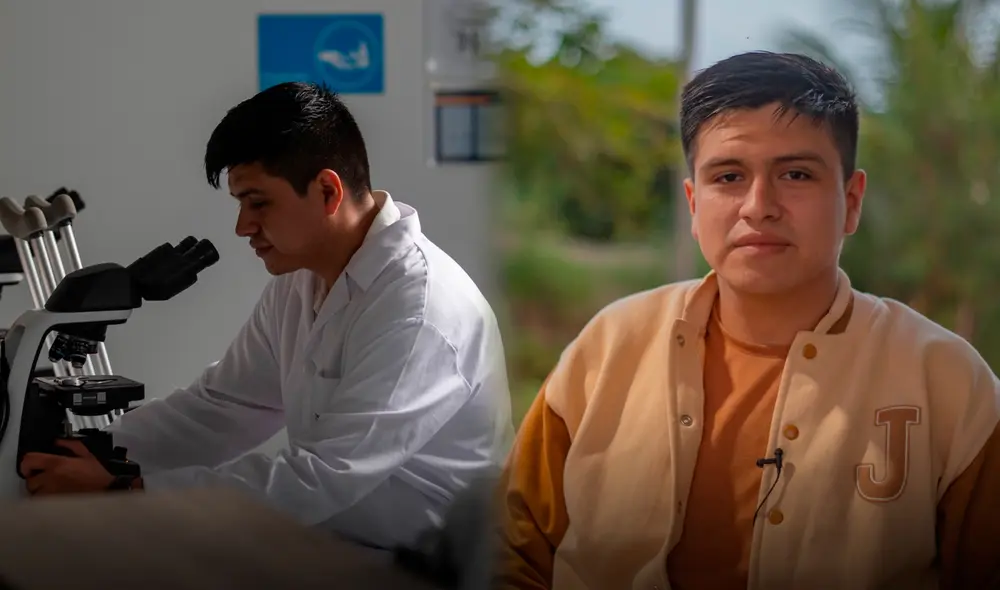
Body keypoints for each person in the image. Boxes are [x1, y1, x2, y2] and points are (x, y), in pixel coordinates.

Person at [493, 51, 1000, 589]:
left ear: (851, 201)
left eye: (796, 174)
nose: (758, 206)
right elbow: (512, 552)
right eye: (729, 176)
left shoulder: (945, 380)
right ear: (693, 203)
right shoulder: (609, 348)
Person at [18, 81, 514, 551]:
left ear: (327, 192)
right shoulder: (300, 282)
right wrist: (92, 450)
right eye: (240, 203)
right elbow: (221, 408)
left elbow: (321, 476)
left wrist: (127, 490)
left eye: (258, 203)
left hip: (429, 566)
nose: (242, 227)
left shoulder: (418, 308)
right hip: (339, 544)